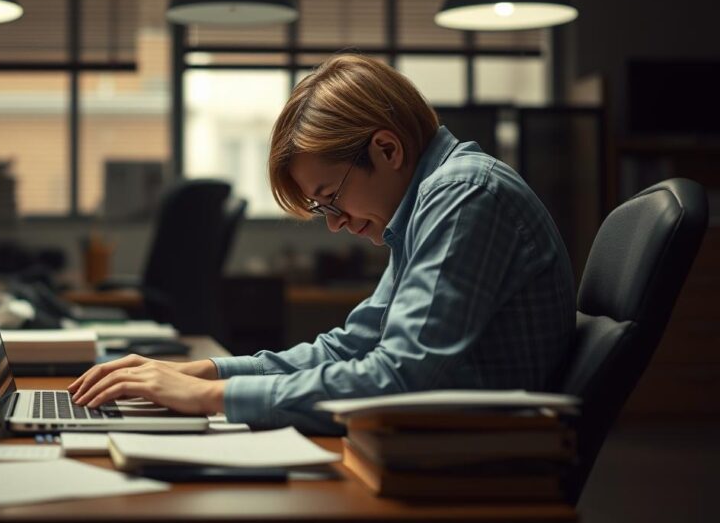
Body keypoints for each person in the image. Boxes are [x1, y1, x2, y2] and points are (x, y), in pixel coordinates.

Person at [68, 54, 576, 434]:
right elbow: (353, 347)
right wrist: (206, 371)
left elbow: (398, 379)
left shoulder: (462, 193)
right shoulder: (432, 200)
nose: (334, 225)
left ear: (387, 148)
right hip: (435, 445)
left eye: (330, 197)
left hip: (472, 467)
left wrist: (211, 396)